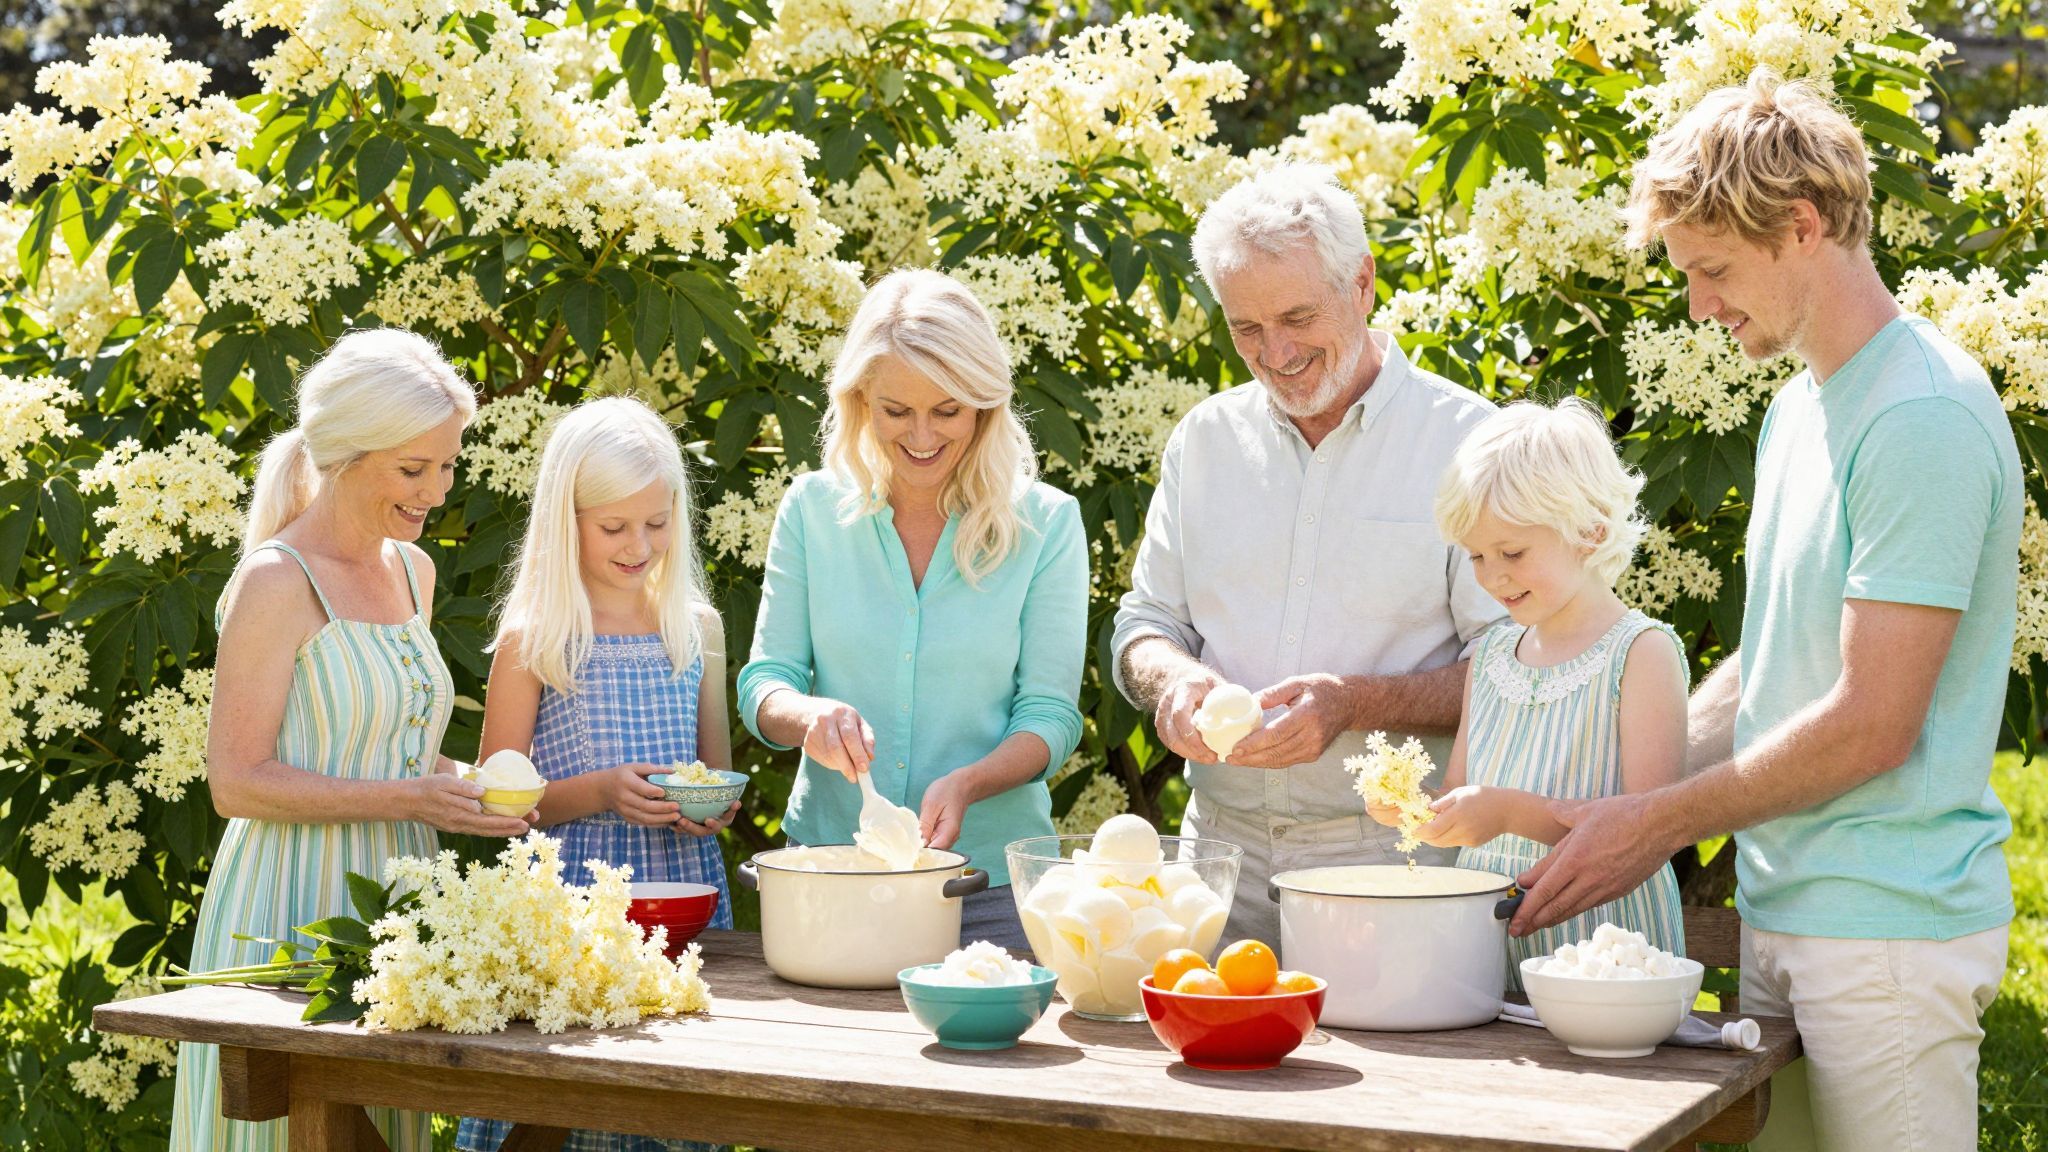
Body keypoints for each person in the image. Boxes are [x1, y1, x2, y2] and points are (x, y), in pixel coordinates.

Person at [1511, 71, 2018, 1151]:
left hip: (1884, 935)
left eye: (1711, 269)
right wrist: (1604, 797)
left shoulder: (1917, 416)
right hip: (1787, 913)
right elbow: (1770, 659)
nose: (1697, 303)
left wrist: (1652, 826)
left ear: (1801, 226)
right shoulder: (1801, 404)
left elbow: (1871, 721)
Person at [1113, 162, 1506, 946]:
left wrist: (1353, 705)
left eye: (1297, 316)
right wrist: (1176, 682)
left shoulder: (1472, 443)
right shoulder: (1205, 442)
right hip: (1214, 862)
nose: (1276, 352)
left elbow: (1516, 669)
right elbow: (1144, 624)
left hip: (1398, 865)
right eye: (1246, 328)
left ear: (1362, 284)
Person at [175, 329, 532, 1152]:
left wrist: (469, 784)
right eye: (414, 469)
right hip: (289, 912)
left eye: (448, 465)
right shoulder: (276, 581)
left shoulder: (414, 571)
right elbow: (237, 782)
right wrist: (413, 796)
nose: (436, 492)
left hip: (397, 907)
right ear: (342, 454)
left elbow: (392, 744)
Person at [737, 269, 1088, 950]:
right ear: (861, 400)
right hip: (829, 879)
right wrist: (808, 716)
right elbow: (764, 681)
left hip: (990, 891)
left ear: (984, 405)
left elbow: (1051, 717)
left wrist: (971, 782)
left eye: (947, 411)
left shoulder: (1048, 525)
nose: (922, 435)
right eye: (897, 411)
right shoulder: (811, 510)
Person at [455, 396, 734, 1152]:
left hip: (685, 902)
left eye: (657, 521)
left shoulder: (695, 626)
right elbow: (499, 798)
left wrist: (709, 807)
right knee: (566, 1108)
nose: (638, 544)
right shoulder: (538, 637)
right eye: (613, 526)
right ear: (565, 520)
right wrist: (602, 792)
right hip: (571, 913)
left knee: (678, 1107)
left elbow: (718, 769)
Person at [1367, 398, 1688, 987]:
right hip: (1489, 939)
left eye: (1512, 553)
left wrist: (1509, 813)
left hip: (1603, 950)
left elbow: (1649, 829)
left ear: (1590, 532)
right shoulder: (1489, 656)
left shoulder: (1639, 654)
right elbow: (1462, 792)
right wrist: (1417, 809)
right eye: (1477, 557)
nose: (1492, 577)